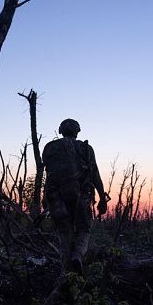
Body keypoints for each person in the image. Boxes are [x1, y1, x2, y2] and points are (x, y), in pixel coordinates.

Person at [42, 118, 108, 275]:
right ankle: (77, 256)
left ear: (61, 131)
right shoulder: (86, 148)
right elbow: (95, 174)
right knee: (84, 230)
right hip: (81, 197)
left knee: (64, 232)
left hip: (56, 198)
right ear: (77, 131)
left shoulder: (50, 148)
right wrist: (102, 198)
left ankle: (66, 271)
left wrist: (45, 200)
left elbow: (48, 175)